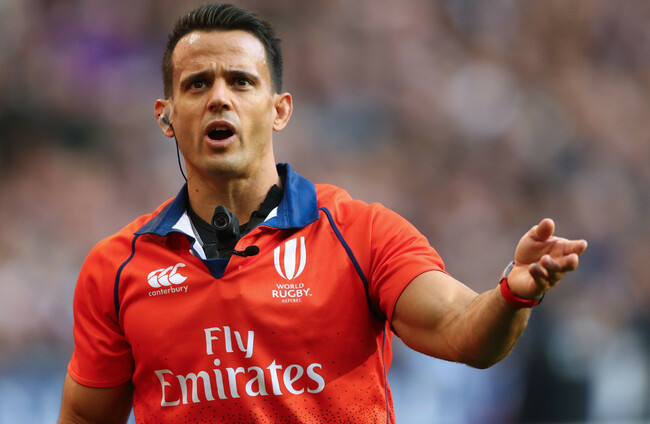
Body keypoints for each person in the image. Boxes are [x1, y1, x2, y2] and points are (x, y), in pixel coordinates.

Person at [58, 4, 587, 423]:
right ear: (166, 116)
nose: (219, 98)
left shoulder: (362, 233)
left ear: (279, 109)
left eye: (241, 81)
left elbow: (460, 330)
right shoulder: (117, 268)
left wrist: (513, 293)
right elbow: (85, 415)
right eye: (197, 84)